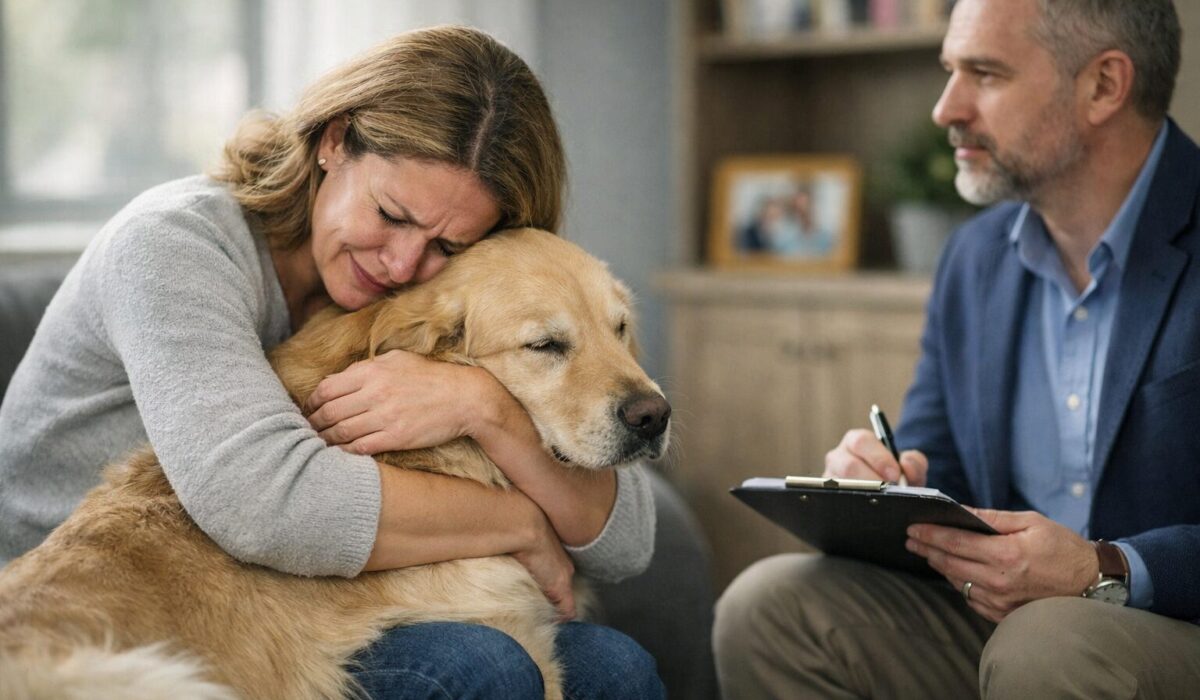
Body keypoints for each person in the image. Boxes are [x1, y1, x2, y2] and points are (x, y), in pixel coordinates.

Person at [0, 26, 664, 698]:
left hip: (305, 590)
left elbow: (625, 539)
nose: (404, 263)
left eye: (447, 242)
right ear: (334, 142)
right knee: (485, 667)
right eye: (391, 213)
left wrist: (480, 405)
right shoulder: (169, 244)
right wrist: (518, 522)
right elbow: (265, 504)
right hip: (114, 607)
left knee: (617, 667)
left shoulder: (441, 286)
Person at [713, 0, 1200, 697]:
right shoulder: (973, 257)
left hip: (1169, 619)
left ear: (1103, 86)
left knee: (1048, 644)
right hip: (1005, 616)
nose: (946, 108)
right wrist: (881, 487)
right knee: (767, 607)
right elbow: (936, 462)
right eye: (950, 70)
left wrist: (1106, 567)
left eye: (986, 73)